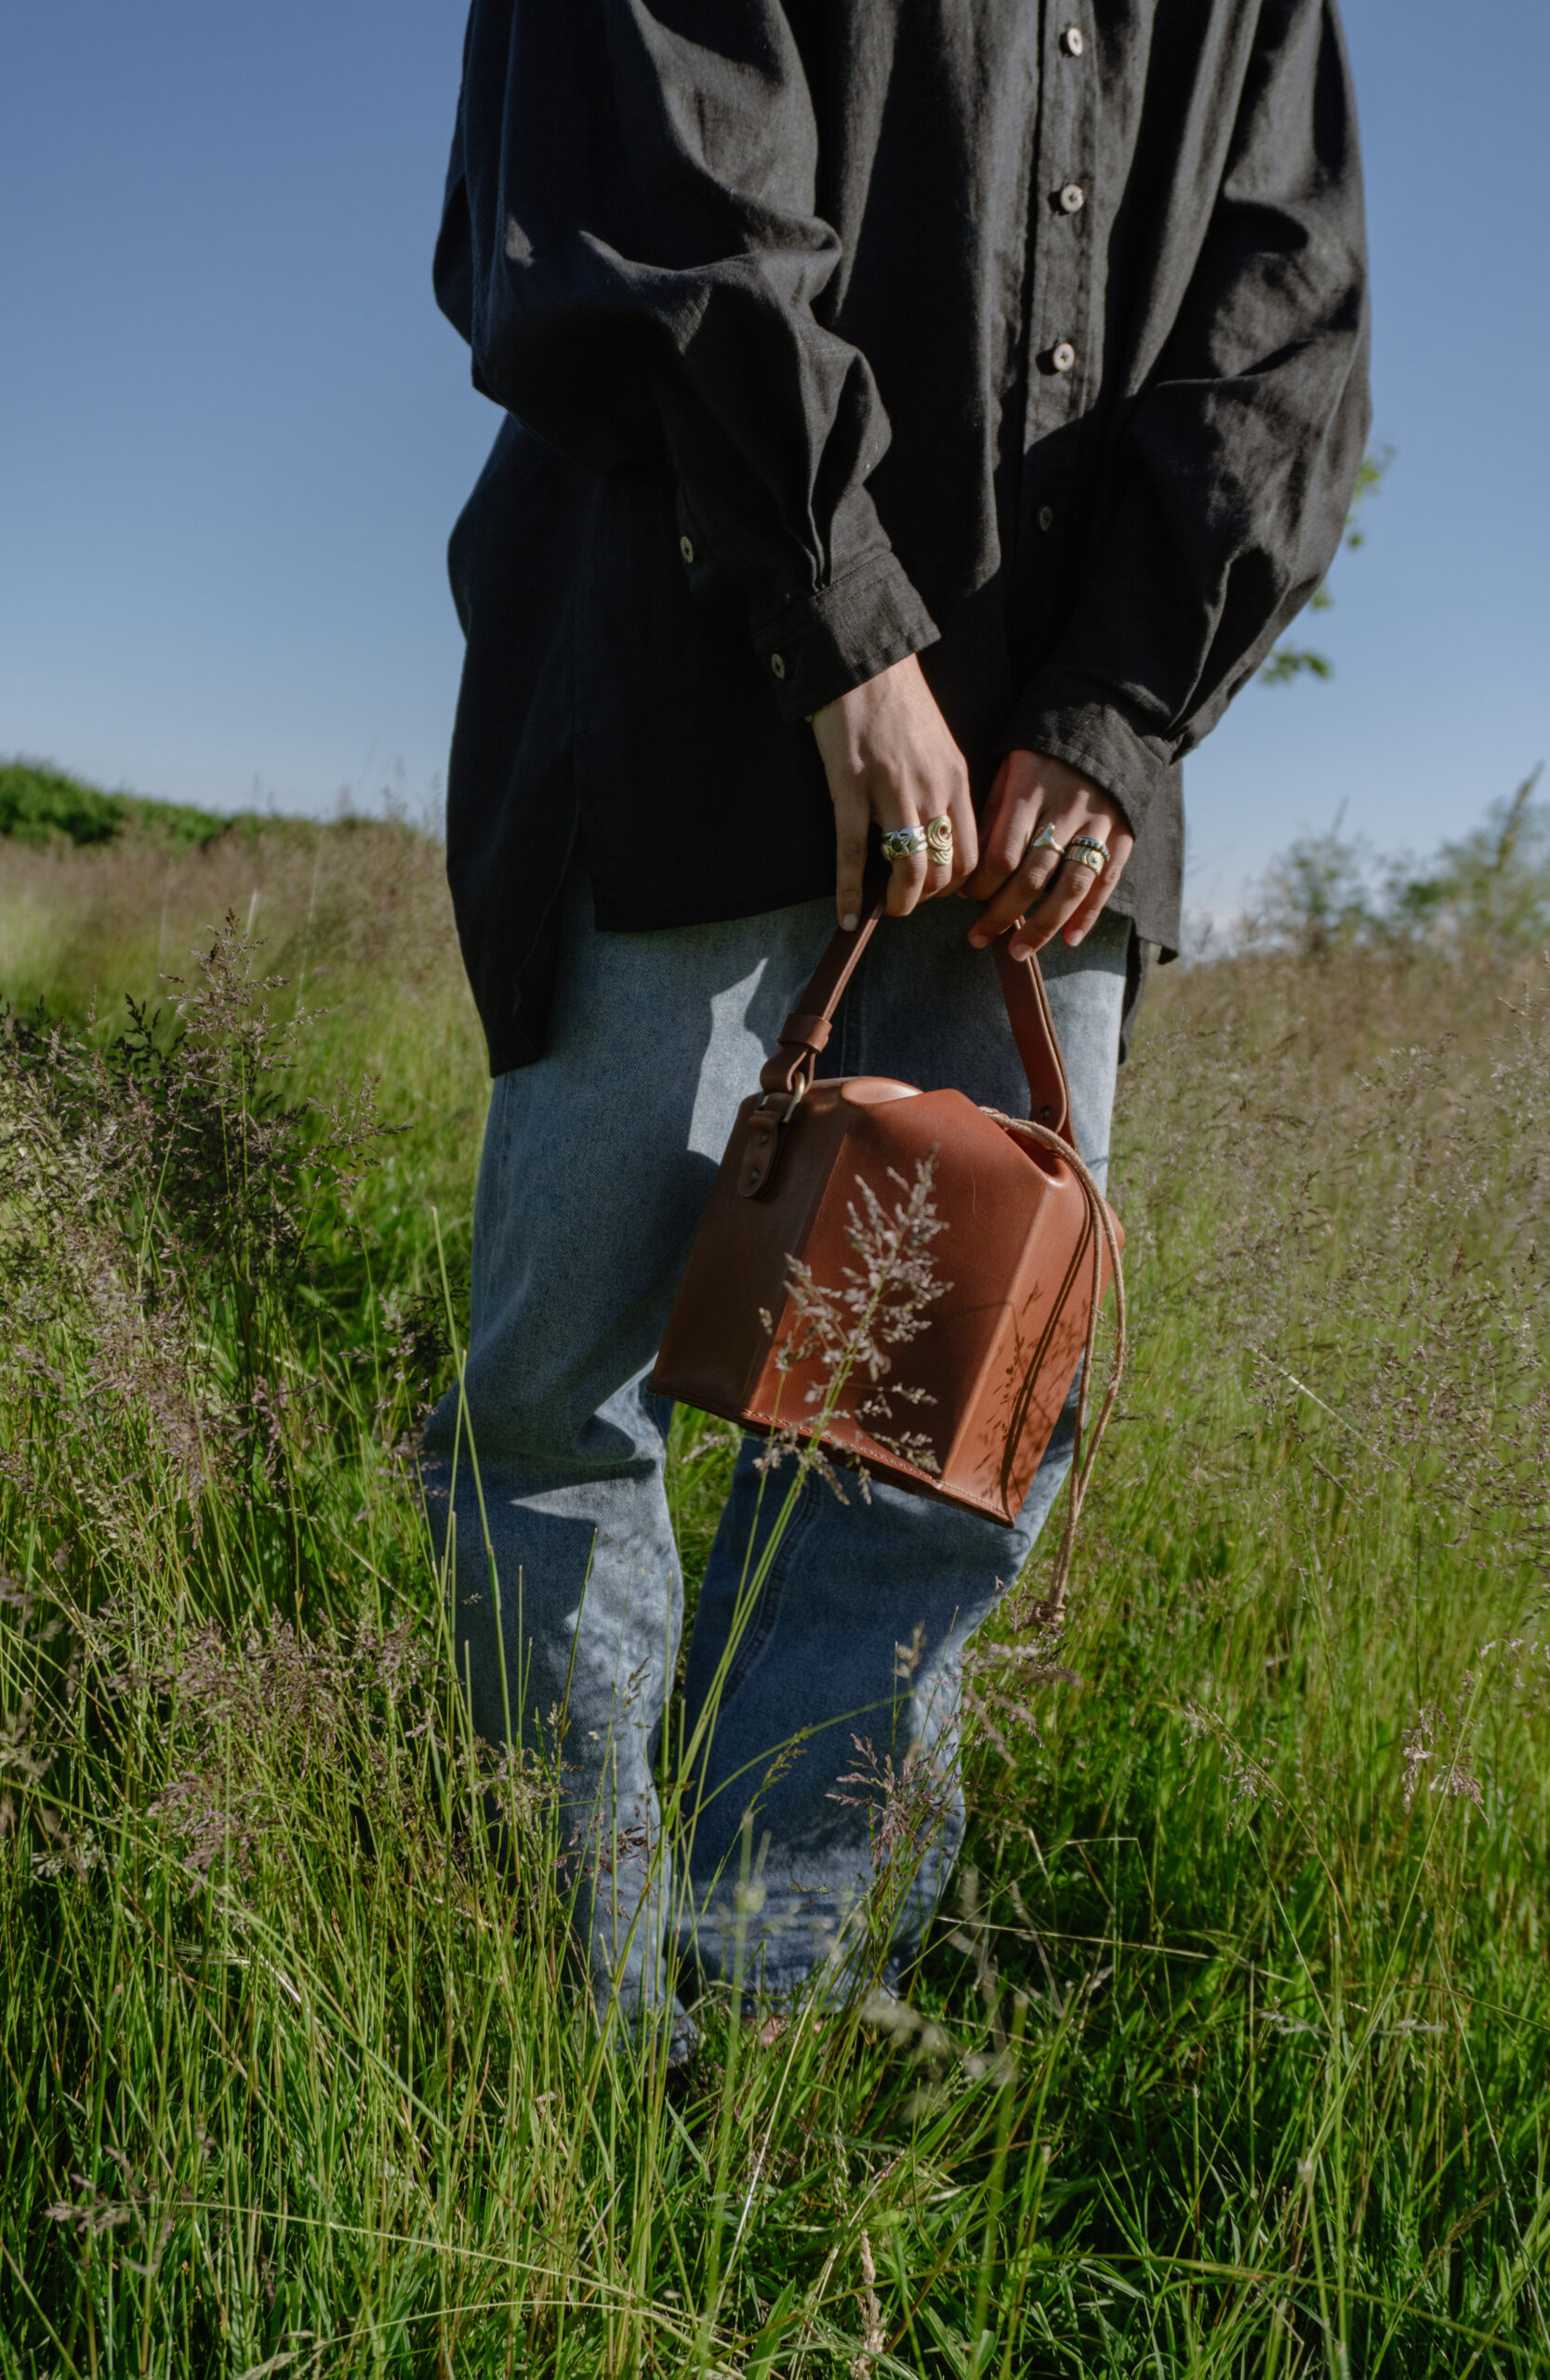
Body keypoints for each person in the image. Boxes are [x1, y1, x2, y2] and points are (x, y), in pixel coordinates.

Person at [422, 0, 1370, 2041]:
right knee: (556, 1403)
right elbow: (635, 177)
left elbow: (1284, 315)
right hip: (692, 712)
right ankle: (565, 2016)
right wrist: (836, 616)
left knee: (928, 1443)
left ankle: (765, 2003)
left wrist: (1117, 709)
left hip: (1053, 817)